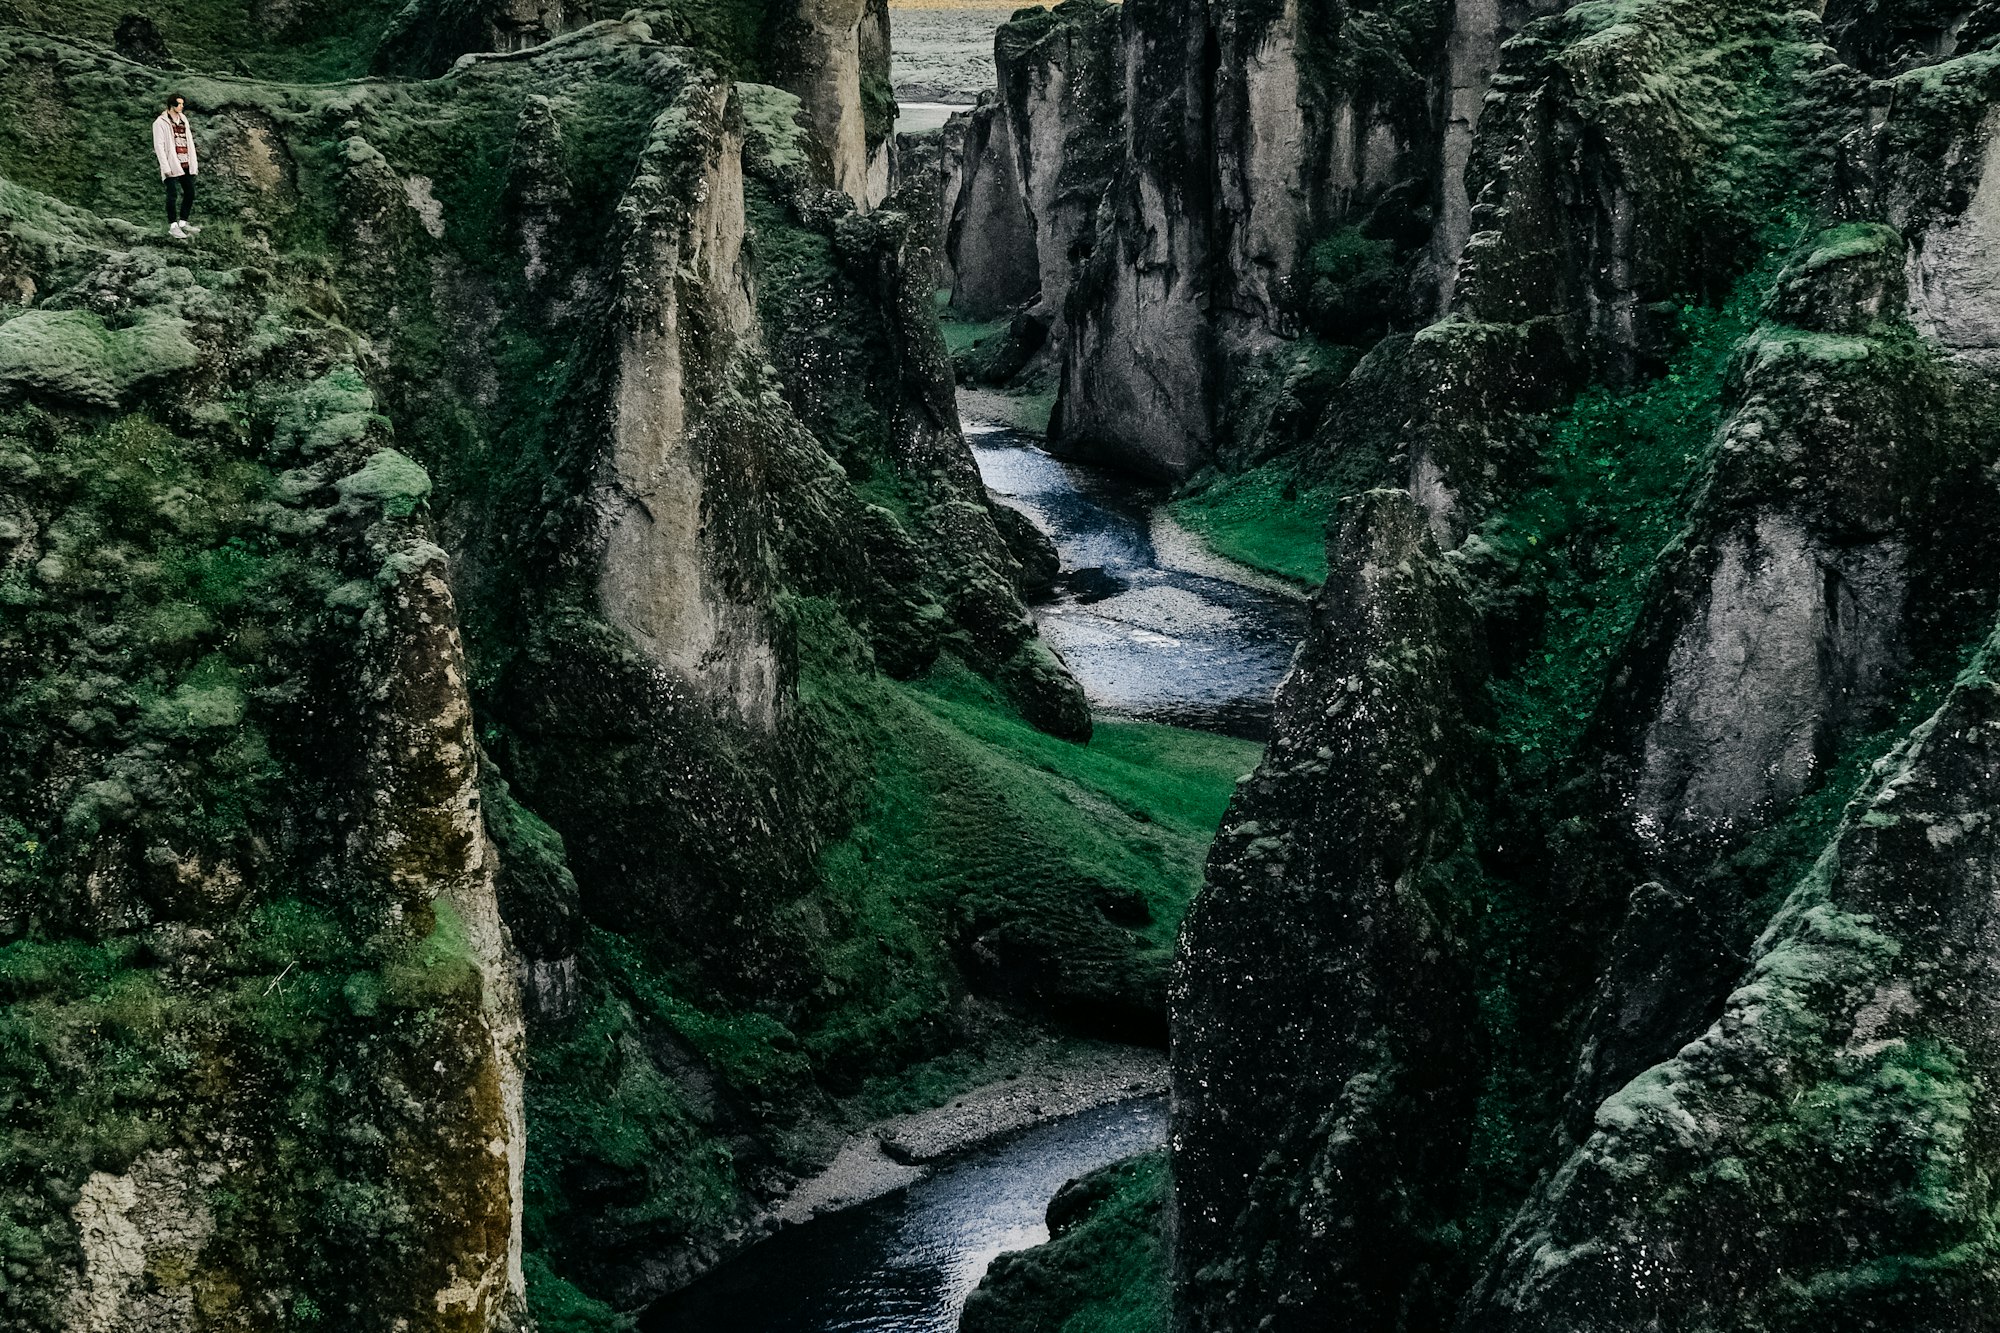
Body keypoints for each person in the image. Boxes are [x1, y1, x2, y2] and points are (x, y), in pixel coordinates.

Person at [151, 94, 200, 239]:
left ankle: (183, 222)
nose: (182, 106)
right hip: (171, 162)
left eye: (182, 104)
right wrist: (165, 167)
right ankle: (173, 226)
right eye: (179, 104)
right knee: (172, 194)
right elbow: (159, 146)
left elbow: (189, 141)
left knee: (190, 192)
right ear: (172, 105)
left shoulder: (183, 119)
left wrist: (193, 161)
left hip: (185, 161)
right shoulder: (160, 123)